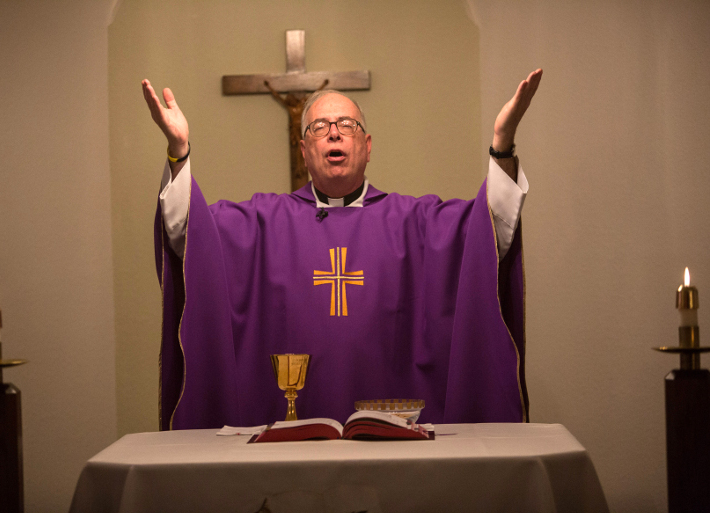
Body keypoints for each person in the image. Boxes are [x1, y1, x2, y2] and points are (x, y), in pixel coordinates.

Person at [143, 69, 542, 430]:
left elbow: (490, 237)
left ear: (367, 145)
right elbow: (190, 239)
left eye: (346, 124)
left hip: (394, 438)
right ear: (303, 151)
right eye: (319, 126)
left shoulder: (418, 223)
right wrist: (179, 152)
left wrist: (502, 148)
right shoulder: (260, 225)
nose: (333, 133)